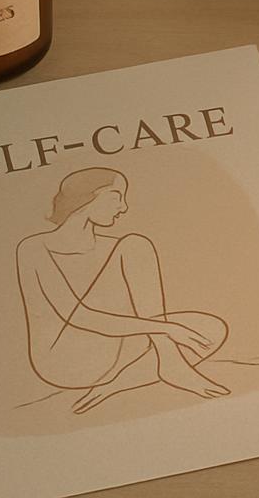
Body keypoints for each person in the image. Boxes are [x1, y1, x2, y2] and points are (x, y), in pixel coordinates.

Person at [16, 167, 230, 414]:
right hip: (65, 361)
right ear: (88, 197)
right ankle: (170, 363)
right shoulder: (33, 248)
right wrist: (168, 328)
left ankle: (128, 380)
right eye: (116, 196)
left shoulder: (115, 247)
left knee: (210, 329)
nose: (124, 207)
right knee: (135, 247)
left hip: (115, 346)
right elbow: (79, 316)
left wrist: (166, 331)